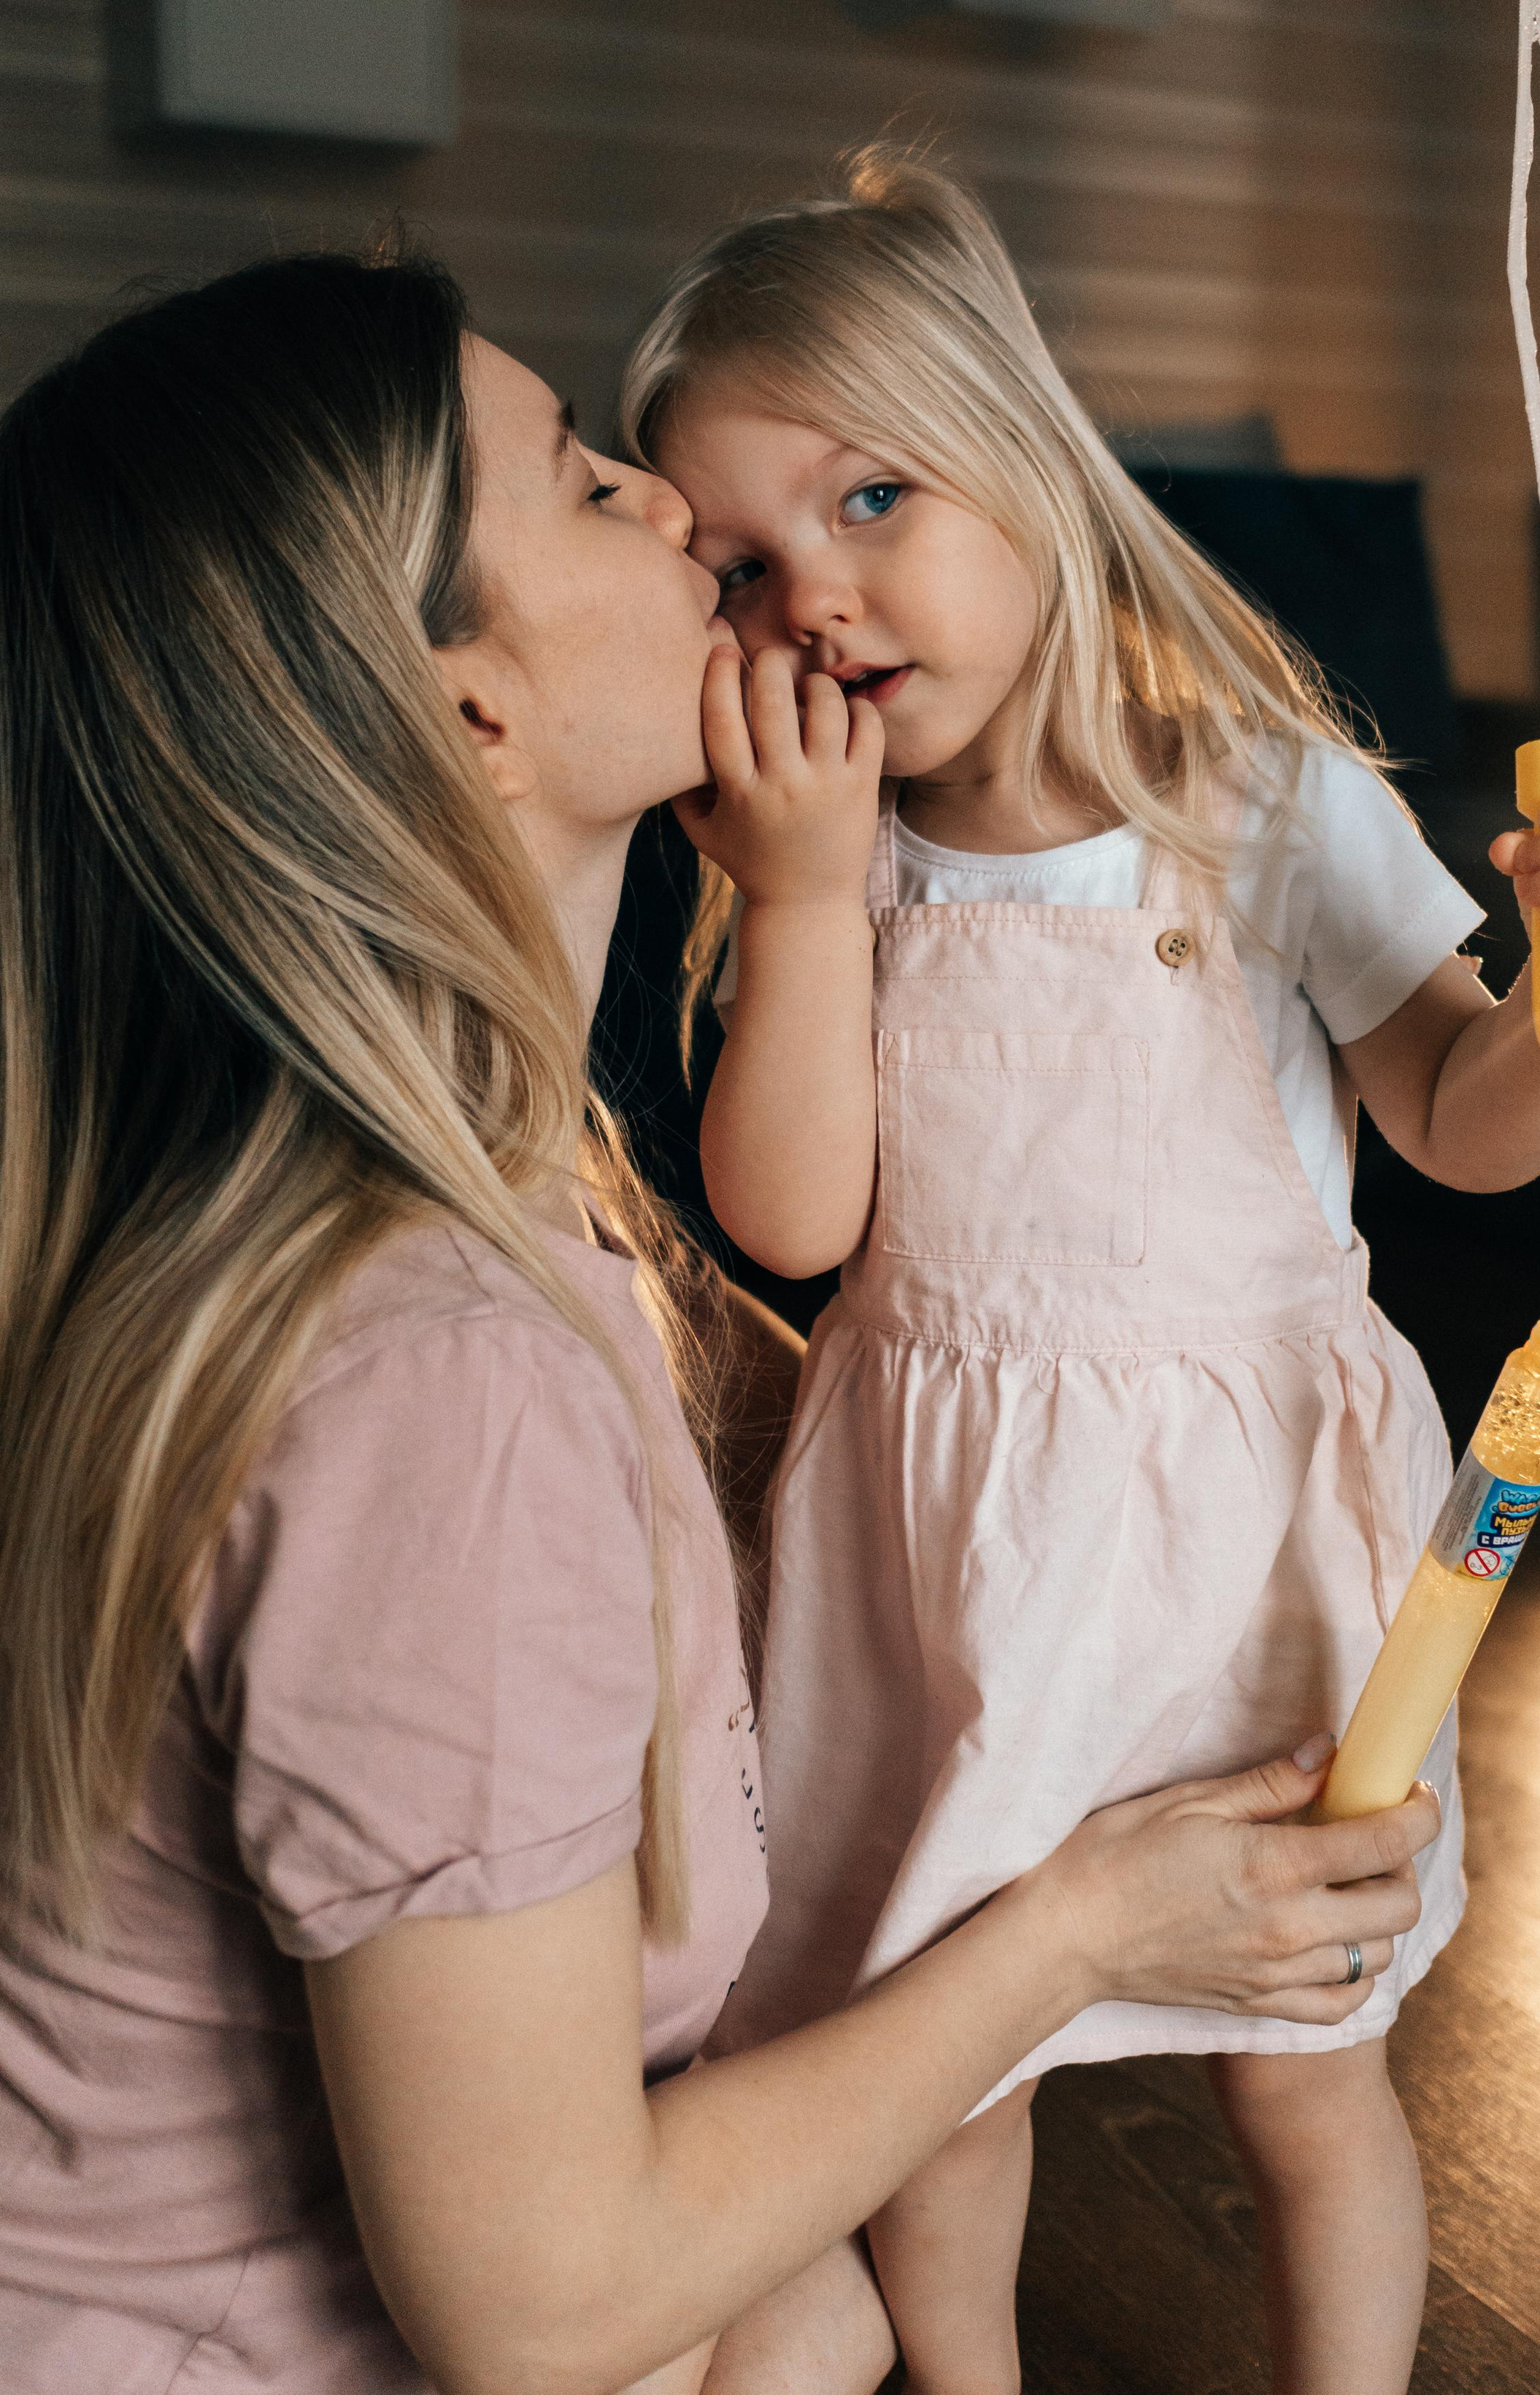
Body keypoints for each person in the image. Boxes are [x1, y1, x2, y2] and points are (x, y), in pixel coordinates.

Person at [0, 247, 1441, 2395]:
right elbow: (540, 2307)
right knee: (813, 2310)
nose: (685, 513)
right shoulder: (442, 1388)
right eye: (596, 485)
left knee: (817, 2309)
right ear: (471, 718)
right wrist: (1083, 1930)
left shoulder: (473, 1212)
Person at [625, 153, 1540, 2395]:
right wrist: (800, 902)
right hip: (949, 1556)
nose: (815, 597)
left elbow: (1461, 1119)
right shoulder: (825, 850)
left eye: (872, 496)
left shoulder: (1251, 790)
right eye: (741, 561)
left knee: (1303, 2068)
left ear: (1023, 455)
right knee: (946, 2075)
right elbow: (795, 1226)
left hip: (1242, 1543)